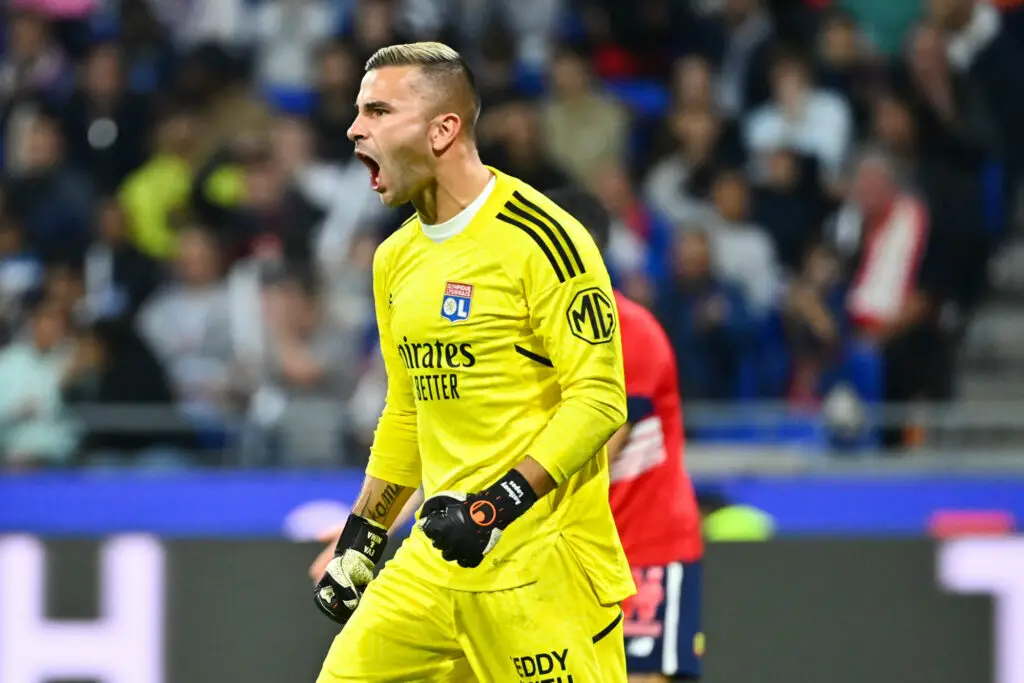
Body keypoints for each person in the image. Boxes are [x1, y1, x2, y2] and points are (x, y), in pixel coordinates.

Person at [312, 42, 634, 682]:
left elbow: (599, 399)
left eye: (378, 111)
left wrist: (493, 508)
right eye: (357, 111)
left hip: (539, 569)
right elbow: (408, 409)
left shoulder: (544, 239)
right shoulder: (394, 259)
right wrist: (363, 538)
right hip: (436, 559)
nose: (354, 129)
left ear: (443, 130)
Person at [547, 187, 704, 682]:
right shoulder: (528, 339)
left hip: (643, 548)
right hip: (572, 555)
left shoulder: (630, 334)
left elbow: (587, 449)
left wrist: (490, 513)